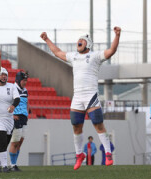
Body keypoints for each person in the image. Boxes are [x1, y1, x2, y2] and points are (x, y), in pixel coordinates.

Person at [40, 26, 121, 170]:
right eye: (78, 40)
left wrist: (117, 35)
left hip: (91, 95)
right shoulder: (74, 56)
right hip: (77, 96)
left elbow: (111, 51)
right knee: (76, 125)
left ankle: (108, 152)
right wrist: (46, 39)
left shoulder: (95, 56)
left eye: (81, 40)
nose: (79, 42)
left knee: (98, 123)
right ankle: (79, 155)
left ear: (88, 44)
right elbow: (57, 52)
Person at [9, 71, 29, 172]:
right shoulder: (13, 89)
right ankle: (12, 165)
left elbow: (27, 102)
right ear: (18, 80)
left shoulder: (25, 90)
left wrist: (27, 114)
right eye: (23, 80)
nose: (25, 82)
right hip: (16, 117)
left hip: (24, 117)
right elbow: (8, 102)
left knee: (20, 141)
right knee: (14, 141)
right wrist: (12, 115)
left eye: (26, 80)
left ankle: (15, 164)